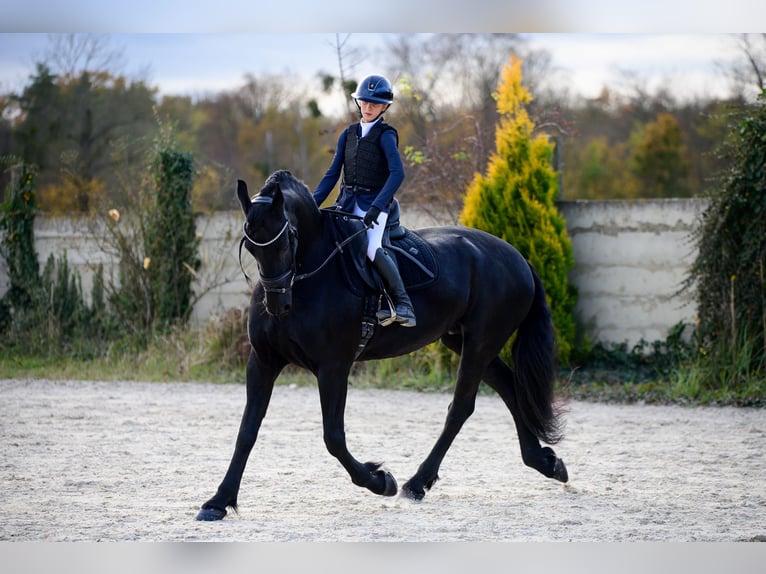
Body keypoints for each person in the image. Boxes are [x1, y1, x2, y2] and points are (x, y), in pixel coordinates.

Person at [313, 73, 416, 327]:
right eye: (364, 102)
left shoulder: (386, 135)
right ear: (359, 102)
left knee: (371, 248)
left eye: (374, 104)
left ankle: (403, 304)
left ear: (385, 107)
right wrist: (311, 203)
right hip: (347, 203)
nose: (368, 108)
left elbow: (397, 173)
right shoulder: (347, 135)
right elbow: (332, 174)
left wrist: (377, 206)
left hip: (376, 205)